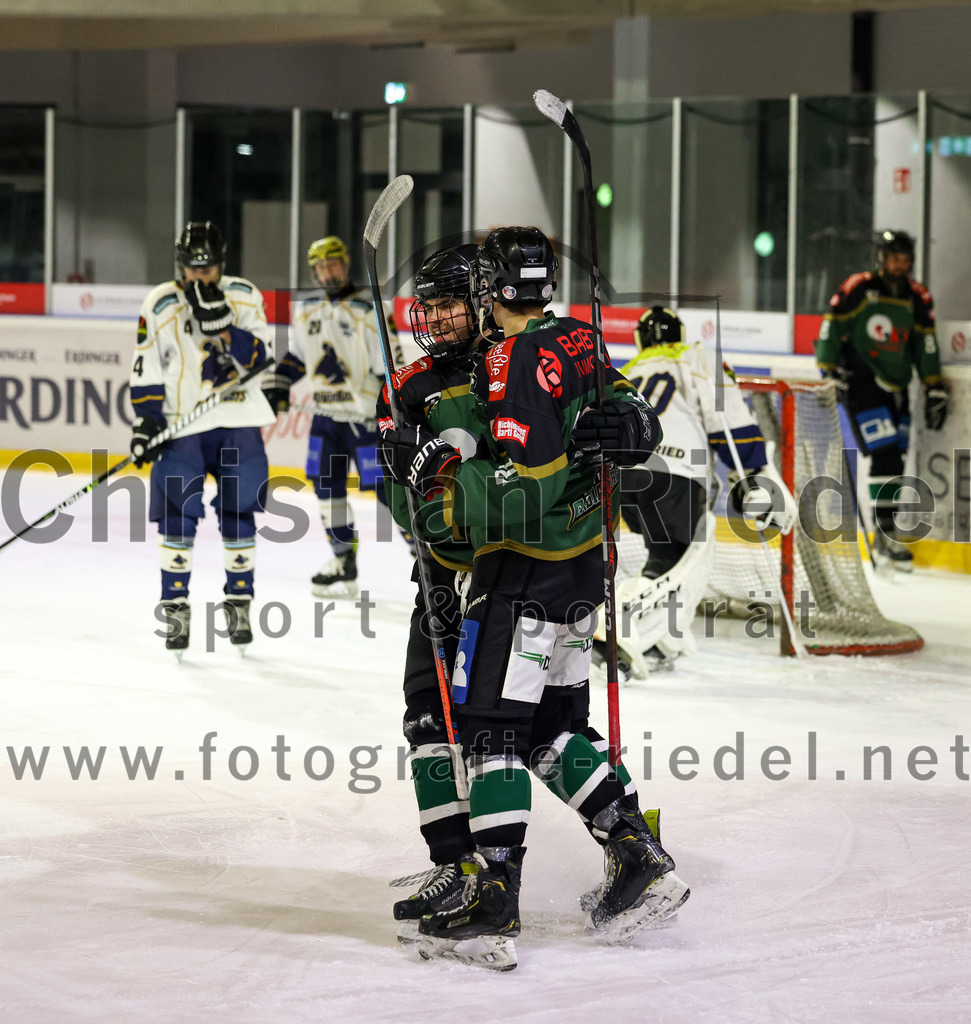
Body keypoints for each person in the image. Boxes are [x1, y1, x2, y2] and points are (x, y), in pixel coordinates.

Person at [381, 226, 683, 970]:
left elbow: (536, 472)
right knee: (451, 722)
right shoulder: (416, 384)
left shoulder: (513, 359)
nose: (437, 317)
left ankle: (493, 888)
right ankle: (477, 867)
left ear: (484, 297)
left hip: (514, 572)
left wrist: (634, 424)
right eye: (429, 306)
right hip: (473, 578)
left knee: (513, 729)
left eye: (451, 302)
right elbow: (407, 501)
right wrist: (417, 490)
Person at [599, 305, 797, 675]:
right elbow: (729, 421)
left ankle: (657, 637)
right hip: (676, 474)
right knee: (679, 561)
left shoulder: (631, 369)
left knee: (665, 555)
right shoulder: (697, 358)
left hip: (626, 476)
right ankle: (623, 628)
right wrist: (752, 472)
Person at [129, 221, 274, 655]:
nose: (200, 276)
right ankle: (175, 608)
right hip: (183, 424)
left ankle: (239, 603)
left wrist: (224, 327)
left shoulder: (244, 295)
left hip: (239, 417)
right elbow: (146, 364)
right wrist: (146, 423)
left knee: (239, 513)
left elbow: (261, 358)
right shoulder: (160, 302)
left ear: (221, 264)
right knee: (177, 515)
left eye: (207, 268)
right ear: (180, 266)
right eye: (192, 269)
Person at [261, 236, 403, 596]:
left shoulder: (370, 309)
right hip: (325, 418)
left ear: (346, 263)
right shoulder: (307, 309)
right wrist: (279, 383)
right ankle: (343, 560)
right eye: (321, 267)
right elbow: (298, 357)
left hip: (365, 421)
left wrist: (392, 411)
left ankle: (427, 555)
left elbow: (391, 368)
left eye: (333, 264)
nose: (328, 272)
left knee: (388, 491)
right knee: (326, 488)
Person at [815, 229, 949, 571]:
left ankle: (885, 531)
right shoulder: (859, 287)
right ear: (882, 258)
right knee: (885, 454)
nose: (900, 265)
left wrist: (933, 383)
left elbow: (925, 343)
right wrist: (828, 369)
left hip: (898, 387)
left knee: (895, 459)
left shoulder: (917, 296)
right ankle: (886, 534)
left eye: (905, 260)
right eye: (894, 259)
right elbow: (832, 326)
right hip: (861, 383)